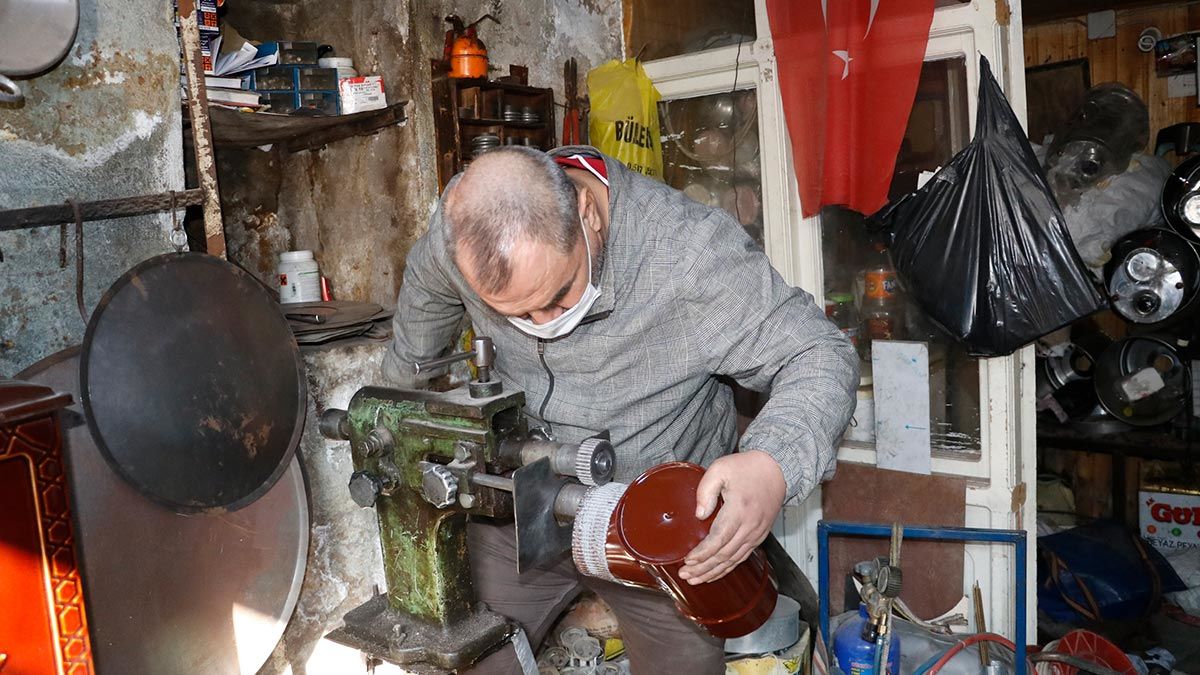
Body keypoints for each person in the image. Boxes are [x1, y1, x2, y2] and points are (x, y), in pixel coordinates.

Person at [383, 145, 859, 673]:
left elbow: (819, 353)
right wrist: (398, 406)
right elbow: (426, 290)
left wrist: (773, 463)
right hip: (516, 499)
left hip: (659, 522)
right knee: (468, 652)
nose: (544, 324)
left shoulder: (690, 255)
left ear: (587, 211)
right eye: (515, 315)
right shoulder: (461, 230)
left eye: (558, 296)